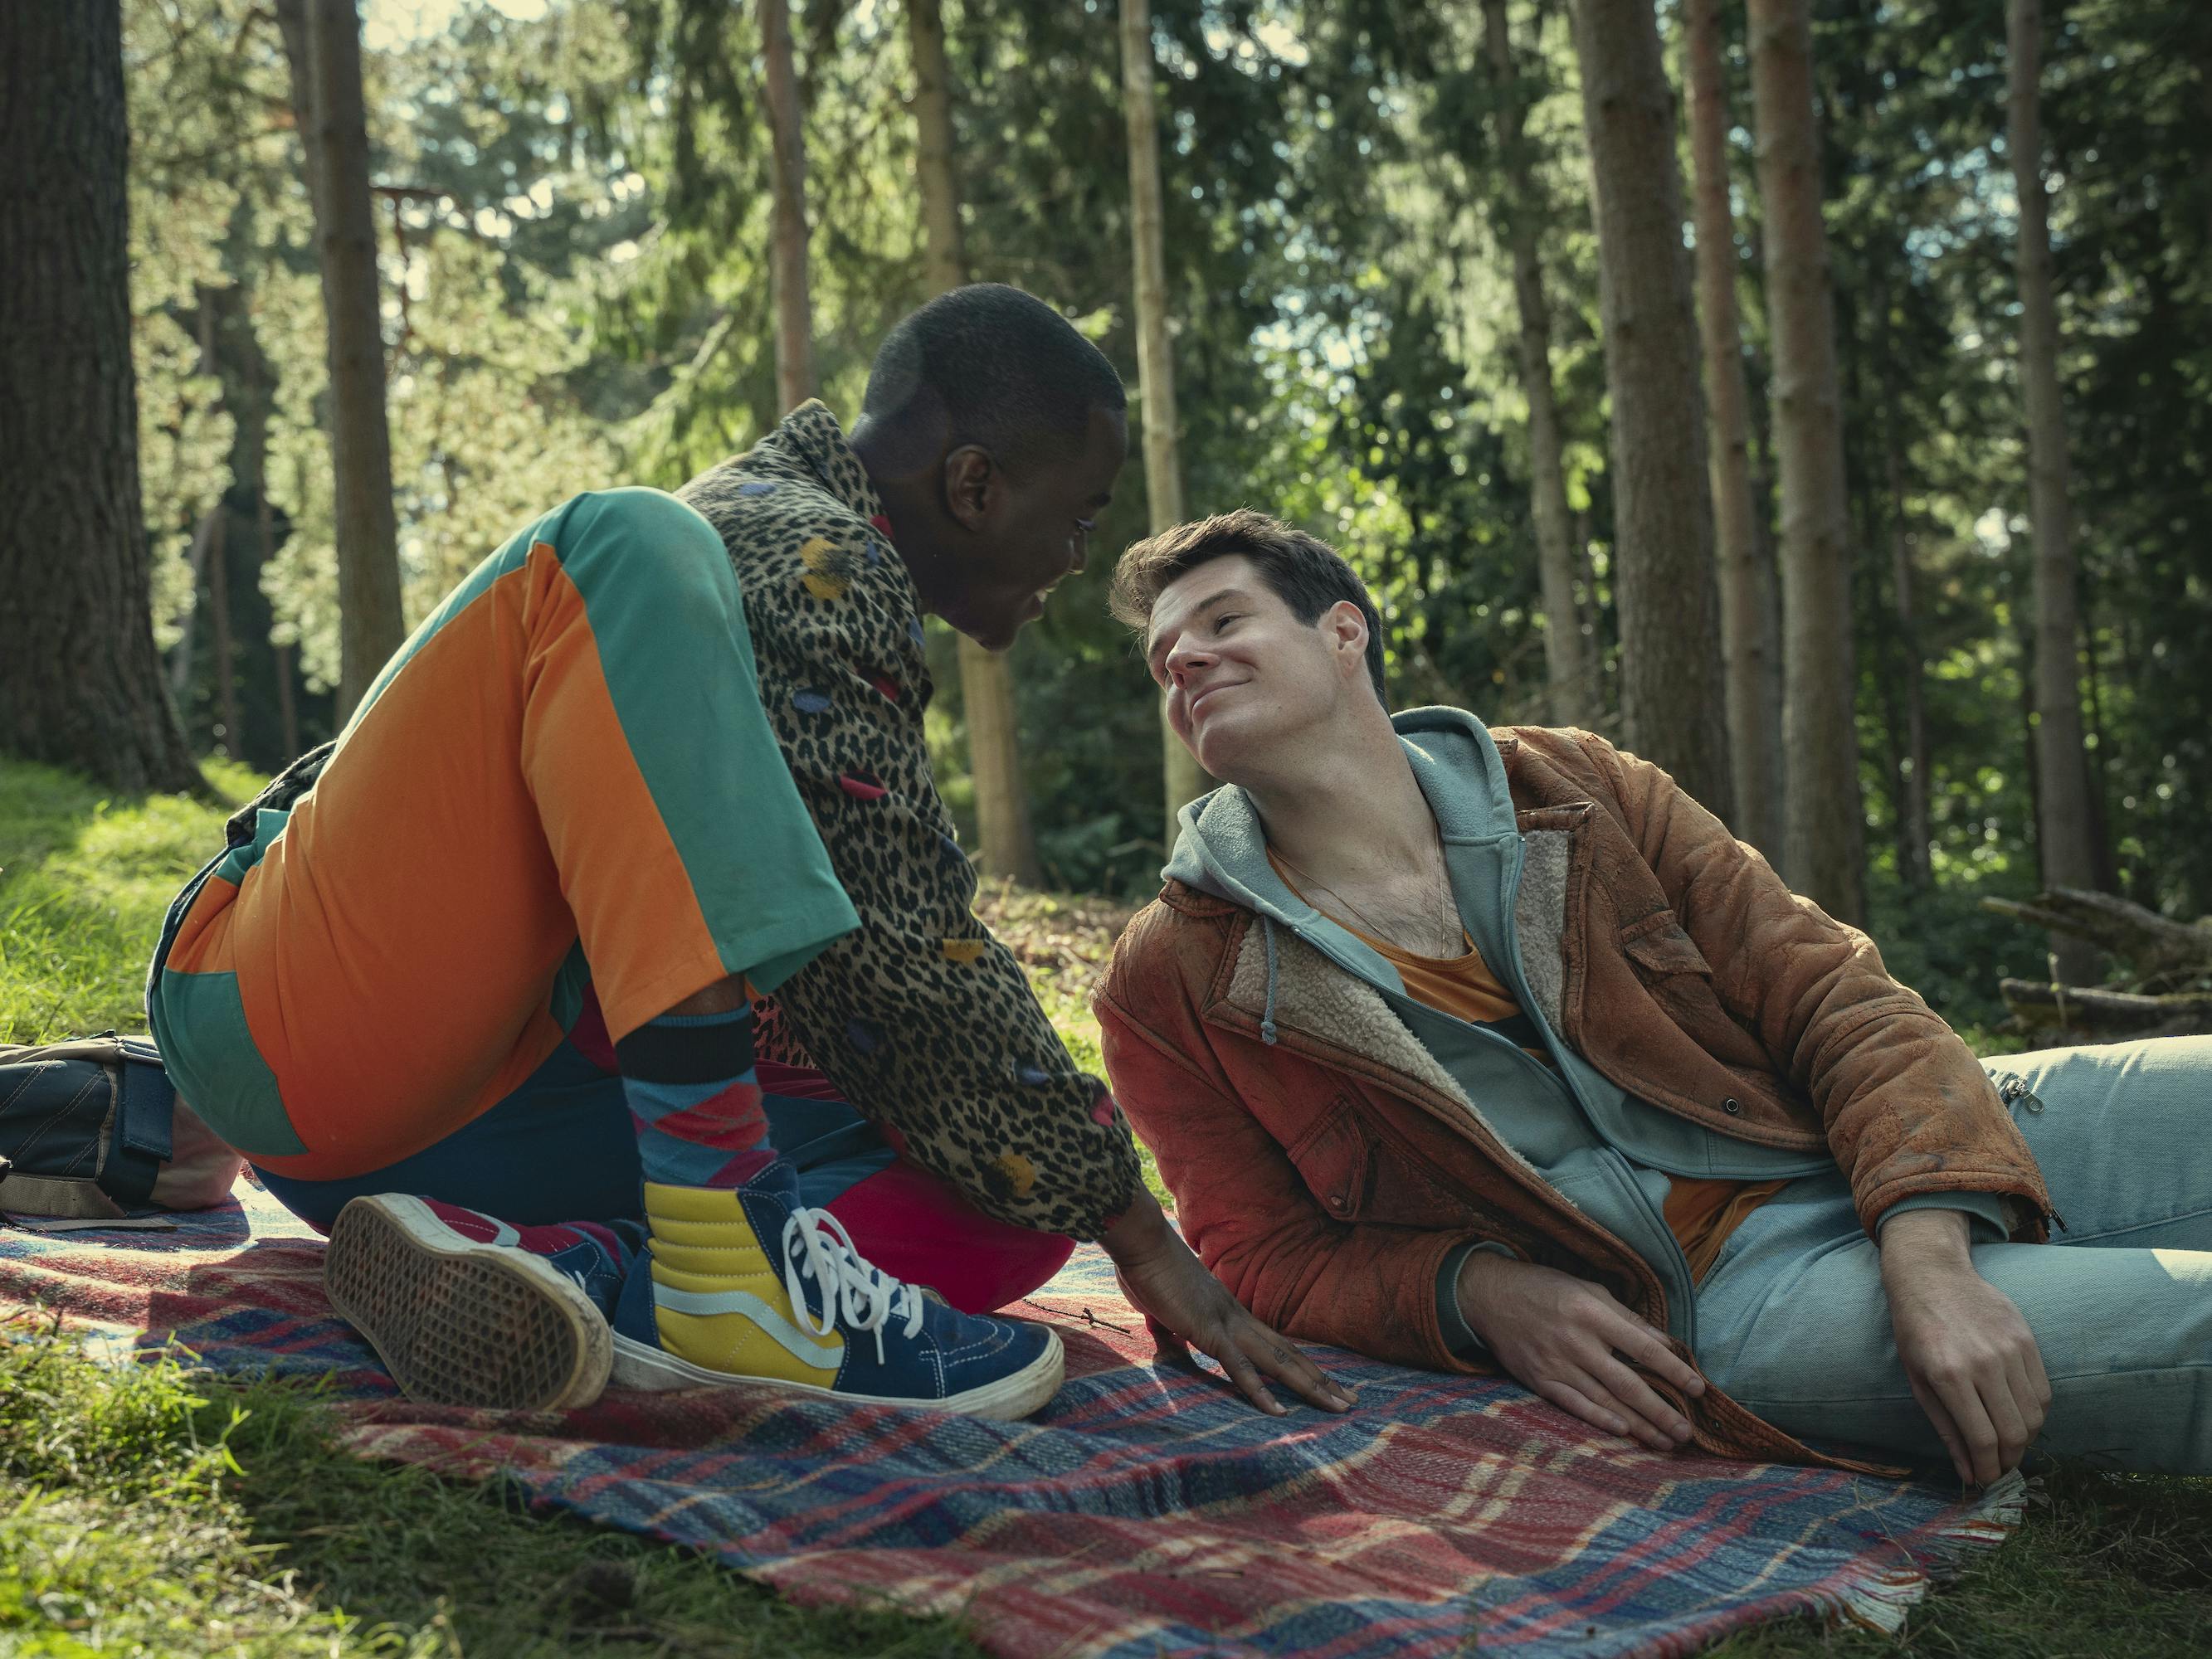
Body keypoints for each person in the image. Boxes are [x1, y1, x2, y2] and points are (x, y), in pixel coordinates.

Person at [147, 288, 1348, 1424]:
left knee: (1009, 1203)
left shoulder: (815, 553)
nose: (1078, 562)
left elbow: (875, 991)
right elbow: (903, 954)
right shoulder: (803, 552)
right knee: (627, 531)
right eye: (1079, 520)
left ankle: (553, 1271)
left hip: (424, 1128)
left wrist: (1090, 1200)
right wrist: (1142, 1237)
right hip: (300, 1016)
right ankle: (723, 1271)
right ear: (975, 484)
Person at [1094, 508, 2212, 1483]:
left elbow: (1834, 995)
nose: (1182, 660)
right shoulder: (1171, 976)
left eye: (1222, 621)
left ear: (1342, 634)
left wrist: (1928, 1255)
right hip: (1722, 1298)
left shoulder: (1578, 784)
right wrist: (1481, 1294)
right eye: (1161, 657)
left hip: (1871, 1143)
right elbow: (1258, 1252)